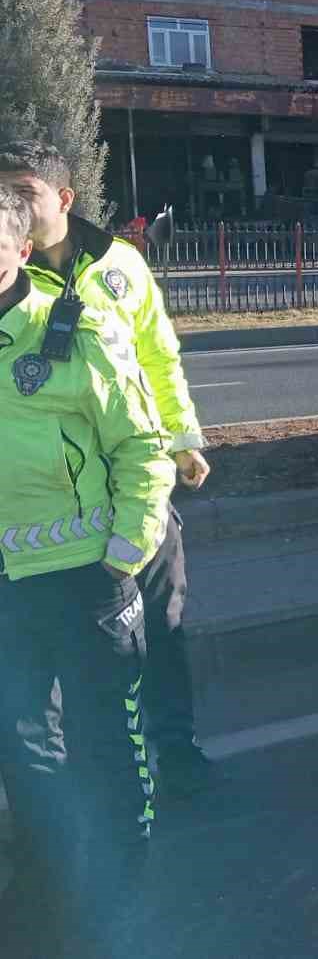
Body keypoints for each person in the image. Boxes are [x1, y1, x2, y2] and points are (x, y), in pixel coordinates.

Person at [0, 141, 213, 793]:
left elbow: (157, 355)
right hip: (60, 518)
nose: (13, 205)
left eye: (24, 192)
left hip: (136, 483)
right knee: (65, 664)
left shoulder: (121, 264)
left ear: (63, 198)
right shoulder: (12, 275)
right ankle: (81, 795)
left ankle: (175, 756)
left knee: (162, 629)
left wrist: (181, 440)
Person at [0, 184, 174, 955]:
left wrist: (126, 555)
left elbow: (142, 445)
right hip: (6, 589)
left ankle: (125, 873)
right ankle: (44, 884)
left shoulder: (73, 330)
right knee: (23, 745)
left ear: (21, 248)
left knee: (109, 733)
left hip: (83, 577)